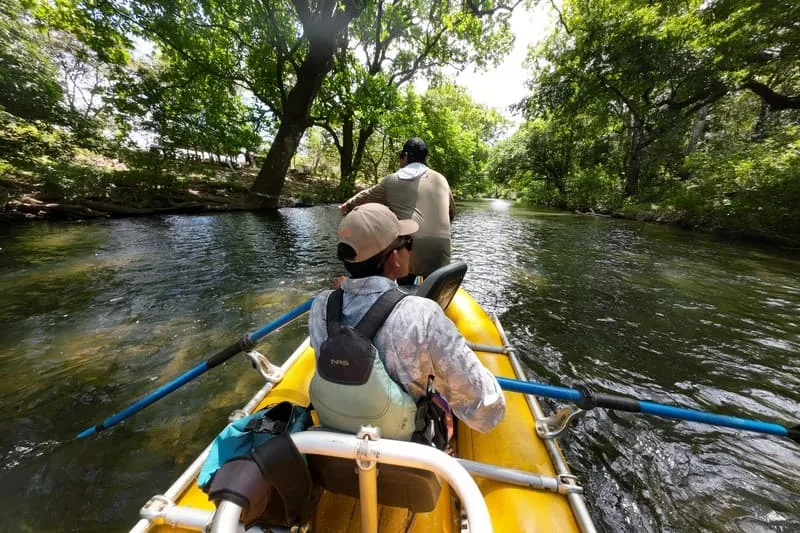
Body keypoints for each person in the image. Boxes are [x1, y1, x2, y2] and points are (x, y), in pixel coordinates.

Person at [309, 203, 505, 445]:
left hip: (337, 443)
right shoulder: (422, 315)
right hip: (403, 448)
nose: (410, 250)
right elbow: (486, 409)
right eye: (407, 243)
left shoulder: (321, 306)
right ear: (394, 259)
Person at [339, 138, 455, 280]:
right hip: (441, 253)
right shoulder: (441, 179)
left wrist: (347, 205)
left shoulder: (392, 180)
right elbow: (451, 213)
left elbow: (367, 195)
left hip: (409, 252)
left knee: (394, 243)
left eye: (401, 157)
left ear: (405, 156)